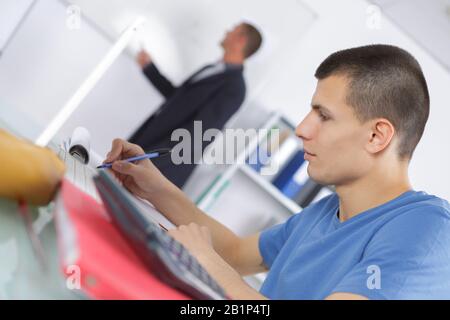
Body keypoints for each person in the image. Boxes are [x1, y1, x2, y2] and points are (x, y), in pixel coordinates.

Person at [104, 44, 450, 300]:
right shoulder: (328, 210)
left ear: (377, 136)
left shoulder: (427, 230)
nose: (301, 129)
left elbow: (219, 261)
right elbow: (238, 254)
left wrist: (204, 259)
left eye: (323, 116)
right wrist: (155, 189)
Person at [128, 22, 263, 188]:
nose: (226, 31)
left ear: (241, 40)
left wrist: (147, 159)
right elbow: (177, 99)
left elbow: (198, 134)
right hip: (146, 143)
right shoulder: (211, 68)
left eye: (232, 30)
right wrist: (149, 69)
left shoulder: (235, 87)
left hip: (160, 166)